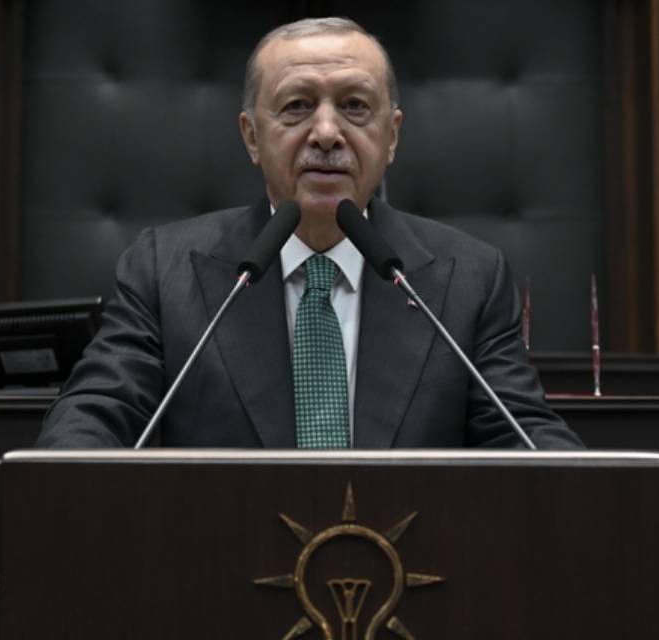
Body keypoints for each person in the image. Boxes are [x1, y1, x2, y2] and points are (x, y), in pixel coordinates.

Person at [37, 17, 582, 450]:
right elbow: (97, 410)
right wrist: (50, 498)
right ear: (252, 136)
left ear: (391, 136)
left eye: (354, 107)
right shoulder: (164, 269)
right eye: (297, 107)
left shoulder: (469, 279)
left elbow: (525, 435)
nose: (325, 133)